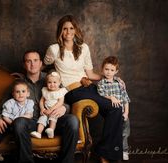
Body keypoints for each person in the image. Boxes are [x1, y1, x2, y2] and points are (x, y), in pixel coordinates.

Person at [44, 15, 123, 163]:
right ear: (60, 31)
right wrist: (26, 74)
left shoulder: (83, 48)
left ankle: (106, 153)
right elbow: (44, 64)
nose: (68, 32)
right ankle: (105, 154)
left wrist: (112, 79)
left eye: (71, 28)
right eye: (65, 28)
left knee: (116, 108)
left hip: (88, 87)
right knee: (114, 107)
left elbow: (90, 74)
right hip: (73, 92)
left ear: (76, 30)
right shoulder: (53, 49)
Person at [0, 50, 79, 163]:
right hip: (31, 123)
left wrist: (64, 108)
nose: (32, 64)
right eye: (28, 61)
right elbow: (1, 105)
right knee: (19, 122)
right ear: (24, 65)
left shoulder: (51, 79)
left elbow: (64, 100)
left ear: (41, 63)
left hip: (54, 120)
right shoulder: (18, 84)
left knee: (73, 120)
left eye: (35, 60)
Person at [0, 79, 34, 161]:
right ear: (13, 94)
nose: (20, 94)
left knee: (19, 125)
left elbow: (29, 115)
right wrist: (13, 124)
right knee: (1, 129)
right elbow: (5, 116)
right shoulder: (10, 103)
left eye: (23, 91)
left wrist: (18, 123)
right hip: (10, 122)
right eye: (17, 92)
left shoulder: (30, 103)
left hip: (22, 125)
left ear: (28, 93)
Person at [97, 56, 131, 161]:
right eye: (106, 69)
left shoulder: (119, 83)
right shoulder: (101, 83)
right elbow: (101, 94)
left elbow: (125, 99)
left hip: (122, 112)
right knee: (115, 132)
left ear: (116, 71)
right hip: (111, 113)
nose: (108, 72)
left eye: (112, 70)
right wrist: (111, 97)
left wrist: (126, 113)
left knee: (125, 132)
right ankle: (113, 151)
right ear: (102, 69)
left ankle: (124, 150)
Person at [30, 70, 68, 139]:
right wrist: (42, 109)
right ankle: (38, 133)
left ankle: (51, 130)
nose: (52, 84)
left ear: (59, 83)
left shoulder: (60, 91)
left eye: (54, 82)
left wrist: (51, 109)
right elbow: (41, 101)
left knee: (53, 117)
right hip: (46, 110)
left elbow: (60, 102)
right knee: (42, 119)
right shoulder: (45, 91)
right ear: (46, 83)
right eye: (49, 82)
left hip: (55, 110)